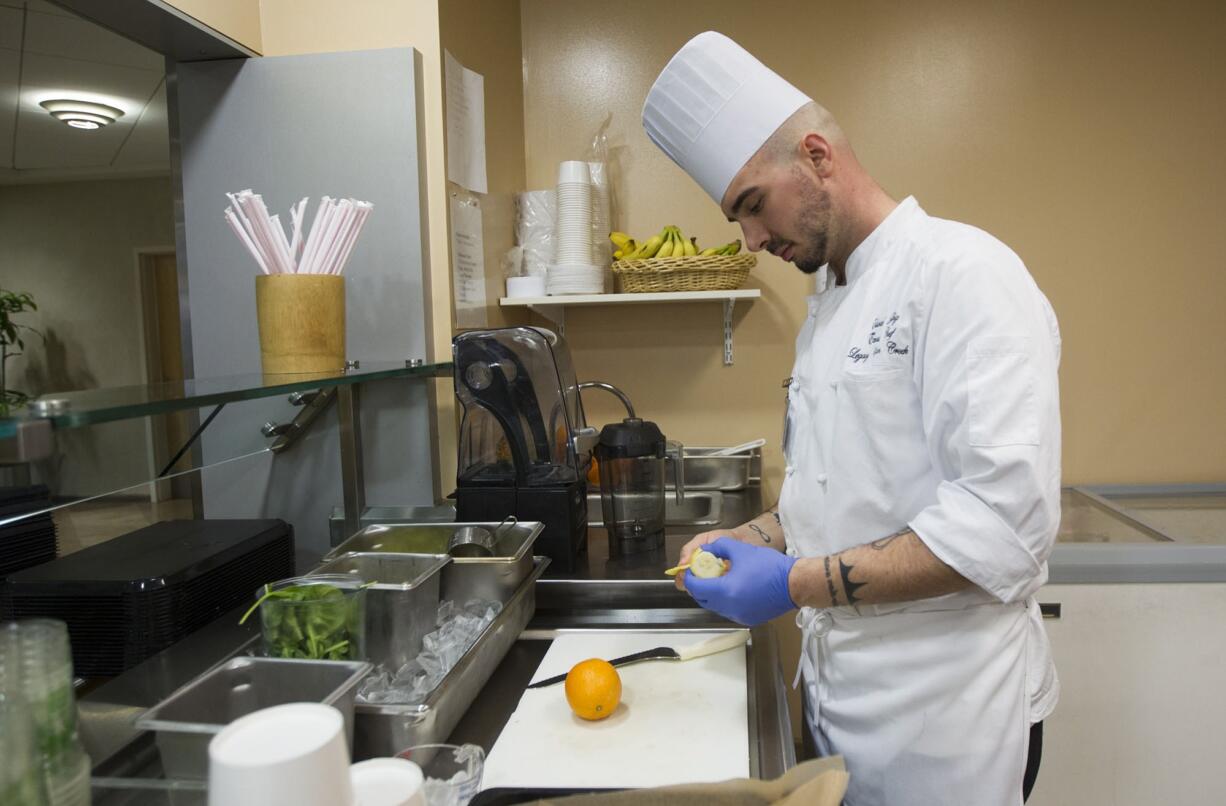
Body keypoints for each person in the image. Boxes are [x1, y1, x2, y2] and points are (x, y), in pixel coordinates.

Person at [642, 32, 1061, 806]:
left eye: (752, 206)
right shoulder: (828, 306)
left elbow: (1001, 528)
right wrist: (754, 538)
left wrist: (793, 583)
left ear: (816, 155)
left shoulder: (964, 276)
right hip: (841, 701)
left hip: (949, 724)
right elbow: (835, 497)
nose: (753, 240)